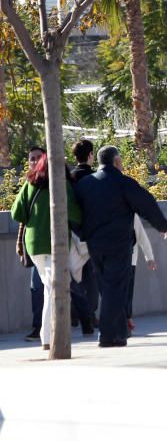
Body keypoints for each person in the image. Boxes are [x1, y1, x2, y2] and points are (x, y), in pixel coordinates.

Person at [75, 146, 167, 347]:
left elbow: (73, 213)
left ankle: (119, 333)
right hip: (118, 244)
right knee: (115, 289)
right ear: (117, 161)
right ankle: (108, 335)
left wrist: (83, 233)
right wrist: (162, 226)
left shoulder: (85, 184)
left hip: (94, 244)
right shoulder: (122, 182)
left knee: (107, 288)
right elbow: (146, 203)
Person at [11, 152, 83, 351]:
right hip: (55, 243)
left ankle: (48, 335)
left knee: (48, 287)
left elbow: (16, 213)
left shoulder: (30, 184)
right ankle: (48, 336)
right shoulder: (63, 185)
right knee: (55, 289)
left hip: (33, 244)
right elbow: (76, 215)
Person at [68, 139, 99, 333]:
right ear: (90, 155)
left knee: (74, 275)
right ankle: (90, 314)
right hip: (91, 233)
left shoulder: (69, 177)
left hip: (72, 232)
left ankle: (75, 311)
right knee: (91, 276)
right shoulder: (95, 177)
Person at [22, 146, 45, 342]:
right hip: (35, 246)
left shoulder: (53, 182)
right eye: (31, 159)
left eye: (38, 158)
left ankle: (40, 329)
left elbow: (17, 213)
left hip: (43, 245)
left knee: (38, 287)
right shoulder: (28, 183)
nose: (34, 161)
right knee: (37, 288)